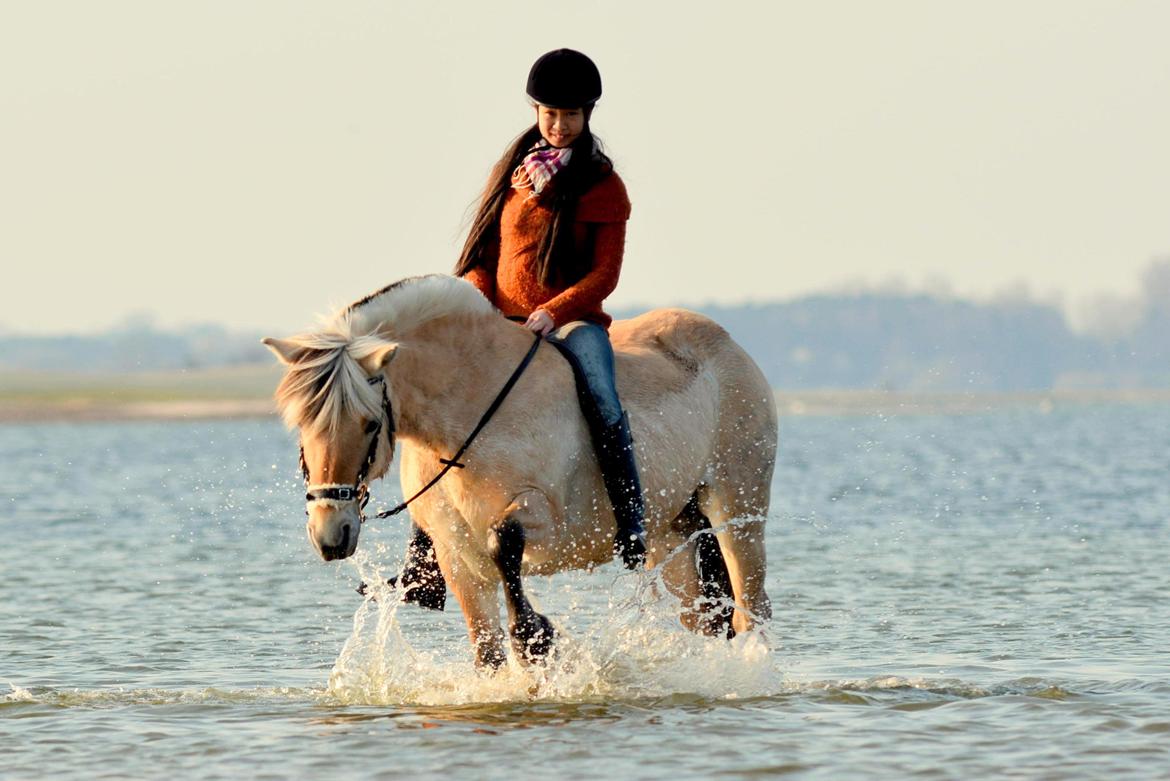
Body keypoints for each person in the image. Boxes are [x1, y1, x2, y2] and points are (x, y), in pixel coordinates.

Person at [453, 48, 647, 569]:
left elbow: (605, 276)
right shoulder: (512, 177)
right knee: (441, 398)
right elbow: (481, 257)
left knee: (603, 396)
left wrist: (554, 312)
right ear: (536, 112)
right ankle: (426, 550)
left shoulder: (604, 187)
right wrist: (475, 296)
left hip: (574, 323)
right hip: (502, 323)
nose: (560, 126)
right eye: (550, 114)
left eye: (571, 116)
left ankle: (631, 520)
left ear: (587, 116)